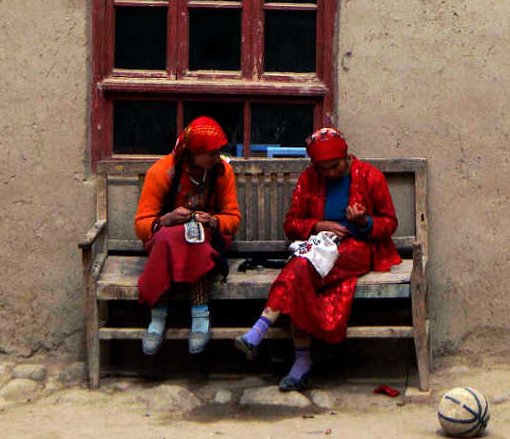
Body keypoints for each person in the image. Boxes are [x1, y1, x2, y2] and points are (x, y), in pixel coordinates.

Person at [234, 126, 401, 391]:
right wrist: (318, 225)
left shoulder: (370, 177)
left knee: (301, 268)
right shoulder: (310, 179)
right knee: (301, 271)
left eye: (334, 166)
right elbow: (291, 224)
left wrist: (364, 221)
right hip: (315, 246)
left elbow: (389, 223)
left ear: (346, 157)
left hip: (357, 248)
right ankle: (298, 358)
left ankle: (266, 332)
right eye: (322, 168)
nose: (329, 173)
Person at [134, 116, 241, 355]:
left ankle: (180, 317)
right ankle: (176, 315)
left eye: (219, 152)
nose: (217, 158)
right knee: (169, 239)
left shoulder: (221, 171)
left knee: (195, 239)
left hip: (207, 238)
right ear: (193, 152)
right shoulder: (162, 172)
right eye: (211, 153)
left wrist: (213, 221)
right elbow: (142, 225)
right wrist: (166, 220)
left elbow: (232, 219)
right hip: (165, 238)